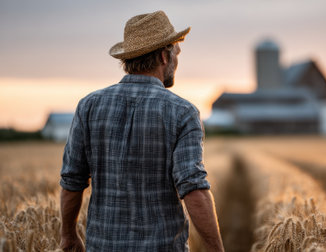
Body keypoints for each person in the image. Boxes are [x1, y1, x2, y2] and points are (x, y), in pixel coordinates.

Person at [59, 11, 224, 251]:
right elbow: (194, 189)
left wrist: (68, 235)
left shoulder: (89, 105)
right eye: (177, 53)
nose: (177, 61)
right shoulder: (183, 112)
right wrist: (216, 248)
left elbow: (72, 180)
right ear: (163, 56)